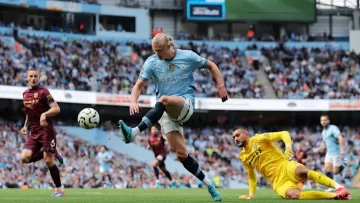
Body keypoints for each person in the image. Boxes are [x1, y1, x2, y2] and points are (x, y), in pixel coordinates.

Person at [118, 33, 227, 201]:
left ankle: (134, 132)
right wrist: (133, 101)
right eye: (155, 51)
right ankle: (210, 185)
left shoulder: (188, 56)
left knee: (163, 100)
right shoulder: (152, 62)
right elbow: (138, 85)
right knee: (181, 155)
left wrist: (221, 86)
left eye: (159, 51)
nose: (157, 54)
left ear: (170, 47)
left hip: (185, 104)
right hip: (165, 112)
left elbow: (211, 65)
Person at [232, 126, 350, 200]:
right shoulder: (242, 157)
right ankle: (335, 196)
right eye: (234, 137)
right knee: (293, 195)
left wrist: (288, 147)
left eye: (238, 135)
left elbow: (284, 133)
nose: (236, 139)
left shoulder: (258, 139)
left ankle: (338, 187)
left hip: (285, 166)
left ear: (246, 134)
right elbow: (251, 177)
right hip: (278, 182)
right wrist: (251, 194)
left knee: (302, 171)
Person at [20, 68, 64, 196]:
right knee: (24, 158)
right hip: (34, 132)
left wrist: (45, 114)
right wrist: (25, 126)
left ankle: (59, 189)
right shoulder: (25, 94)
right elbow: (29, 112)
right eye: (31, 76)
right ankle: (53, 151)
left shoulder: (44, 92)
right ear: (27, 78)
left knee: (48, 160)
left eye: (35, 76)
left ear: (38, 78)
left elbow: (56, 109)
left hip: (46, 130)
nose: (33, 78)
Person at [315, 114, 347, 191]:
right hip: (329, 153)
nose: (323, 122)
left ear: (328, 121)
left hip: (336, 152)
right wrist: (318, 149)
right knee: (326, 169)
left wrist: (342, 150)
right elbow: (324, 144)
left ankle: (345, 163)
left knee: (335, 172)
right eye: (322, 120)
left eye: (325, 120)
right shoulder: (323, 132)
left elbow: (340, 137)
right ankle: (332, 186)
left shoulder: (333, 128)